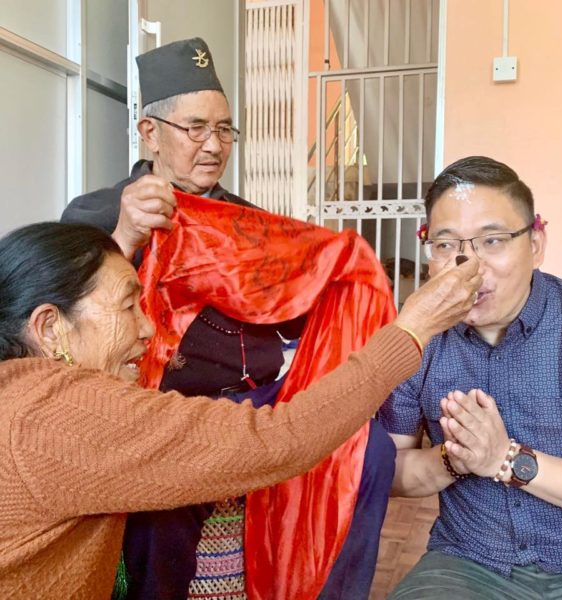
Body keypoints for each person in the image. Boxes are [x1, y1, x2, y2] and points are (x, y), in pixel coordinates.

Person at [60, 37, 400, 599]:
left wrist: (334, 272)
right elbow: (72, 316)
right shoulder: (95, 214)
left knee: (370, 450)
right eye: (195, 128)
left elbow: (292, 314)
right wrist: (127, 236)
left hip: (257, 401)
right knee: (167, 481)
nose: (214, 145)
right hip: (163, 409)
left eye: (224, 130)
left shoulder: (247, 221)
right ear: (150, 133)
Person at [0, 221, 480, 599]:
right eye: (128, 307)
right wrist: (412, 328)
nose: (147, 330)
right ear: (50, 328)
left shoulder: (21, 395)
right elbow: (278, 438)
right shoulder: (52, 415)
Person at [379, 156, 562, 600]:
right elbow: (391, 469)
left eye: (493, 241)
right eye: (446, 245)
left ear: (535, 244)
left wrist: (505, 459)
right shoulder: (416, 337)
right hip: (468, 561)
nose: (469, 266)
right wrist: (451, 460)